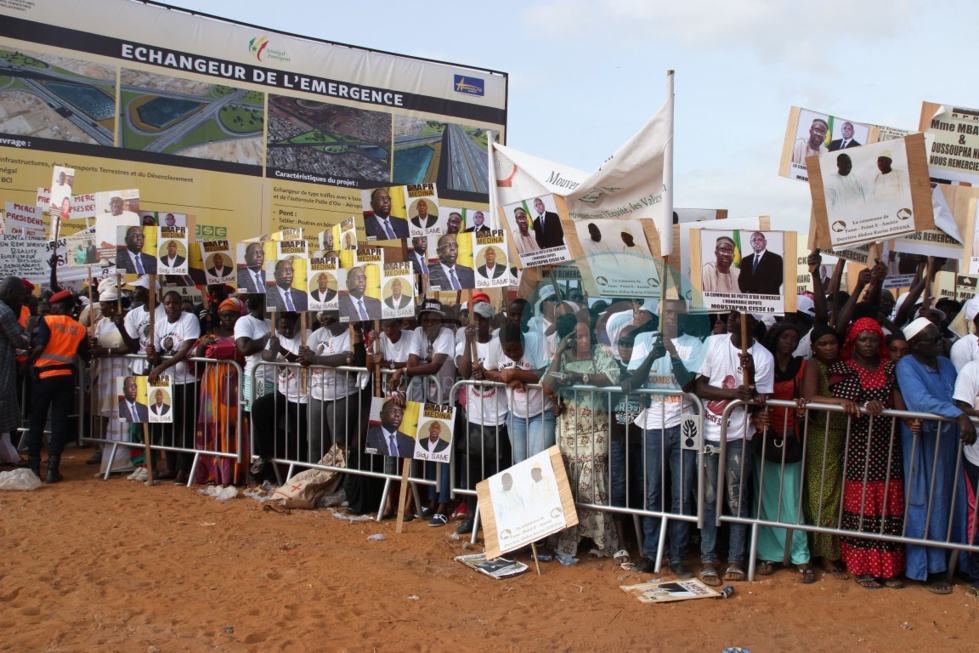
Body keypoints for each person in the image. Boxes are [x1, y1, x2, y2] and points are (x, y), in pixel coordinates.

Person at [896, 317, 976, 594]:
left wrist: (962, 414)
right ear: (915, 344)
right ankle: (930, 568)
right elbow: (919, 400)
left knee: (954, 501)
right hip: (925, 443)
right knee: (925, 501)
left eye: (940, 337)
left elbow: (956, 397)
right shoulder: (906, 365)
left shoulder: (945, 364)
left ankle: (956, 562)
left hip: (952, 443)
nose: (940, 342)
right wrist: (958, 416)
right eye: (933, 339)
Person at [623, 299, 703, 576]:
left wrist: (672, 353)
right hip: (652, 424)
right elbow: (633, 381)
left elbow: (689, 384)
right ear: (660, 314)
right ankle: (651, 553)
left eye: (678, 314)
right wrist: (652, 355)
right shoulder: (645, 339)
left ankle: (678, 555)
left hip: (685, 422)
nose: (673, 318)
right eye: (668, 312)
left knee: (682, 493)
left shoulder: (694, 344)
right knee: (653, 491)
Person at [827, 318, 908, 589]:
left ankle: (888, 567)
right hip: (859, 445)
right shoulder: (843, 369)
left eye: (874, 339)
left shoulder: (890, 367)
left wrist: (907, 418)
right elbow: (846, 402)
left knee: (888, 502)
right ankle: (862, 567)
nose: (869, 344)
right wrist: (863, 403)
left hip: (888, 444)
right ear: (854, 342)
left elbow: (897, 400)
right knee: (860, 505)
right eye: (863, 339)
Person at [695, 311, 773, 585]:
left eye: (740, 314)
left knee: (737, 499)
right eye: (731, 312)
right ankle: (707, 558)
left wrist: (748, 376)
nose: (731, 317)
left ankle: (735, 559)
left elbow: (758, 403)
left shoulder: (763, 357)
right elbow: (699, 386)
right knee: (708, 498)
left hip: (739, 437)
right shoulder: (713, 343)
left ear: (752, 323)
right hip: (708, 434)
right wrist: (732, 394)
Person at [542, 312, 621, 558]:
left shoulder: (602, 354)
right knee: (571, 481)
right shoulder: (562, 358)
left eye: (586, 335)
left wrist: (581, 377)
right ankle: (573, 537)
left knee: (595, 478)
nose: (583, 340)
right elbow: (547, 385)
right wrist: (558, 353)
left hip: (597, 429)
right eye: (577, 337)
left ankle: (599, 540)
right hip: (568, 430)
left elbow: (612, 377)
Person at [752, 322, 813, 582]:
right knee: (764, 500)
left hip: (791, 439)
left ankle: (800, 554)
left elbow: (806, 398)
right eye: (785, 337)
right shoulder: (759, 362)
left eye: (794, 337)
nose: (790, 341)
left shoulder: (802, 366)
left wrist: (801, 408)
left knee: (791, 499)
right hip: (763, 437)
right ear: (775, 338)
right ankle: (768, 554)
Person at [454, 301, 510, 535]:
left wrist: (487, 374)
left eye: (481, 320)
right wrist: (469, 342)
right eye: (473, 319)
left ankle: (496, 518)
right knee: (474, 472)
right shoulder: (463, 344)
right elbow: (464, 372)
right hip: (475, 417)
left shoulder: (499, 344)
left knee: (496, 471)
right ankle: (472, 514)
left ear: (489, 322)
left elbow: (502, 372)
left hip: (498, 418)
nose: (477, 324)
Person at [801, 323, 849, 580]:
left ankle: (837, 549)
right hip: (823, 434)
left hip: (845, 435)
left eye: (833, 343)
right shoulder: (814, 366)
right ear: (814, 347)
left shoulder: (843, 366)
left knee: (839, 494)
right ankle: (824, 552)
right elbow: (810, 397)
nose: (829, 348)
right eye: (823, 344)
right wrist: (841, 402)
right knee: (823, 494)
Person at [25, 290, 89, 482]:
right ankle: (53, 468)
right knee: (59, 422)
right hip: (66, 377)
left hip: (45, 375)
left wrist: (27, 363)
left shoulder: (49, 321)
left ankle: (34, 467)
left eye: (53, 306)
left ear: (59, 306)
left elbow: (41, 345)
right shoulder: (80, 328)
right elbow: (85, 355)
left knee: (37, 421)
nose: (50, 308)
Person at [146, 290, 200, 484]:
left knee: (185, 425)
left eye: (175, 303)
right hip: (165, 382)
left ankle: (184, 468)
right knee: (166, 424)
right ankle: (170, 465)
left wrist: (161, 366)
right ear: (163, 304)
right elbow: (156, 355)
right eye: (167, 303)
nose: (171, 306)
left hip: (187, 380)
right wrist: (151, 355)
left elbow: (185, 350)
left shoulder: (189, 319)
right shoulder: (159, 325)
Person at [250, 312, 310, 478]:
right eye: (282, 327)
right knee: (259, 407)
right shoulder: (277, 336)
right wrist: (269, 352)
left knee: (297, 438)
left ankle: (297, 475)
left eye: (289, 327)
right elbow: (267, 355)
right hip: (284, 391)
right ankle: (265, 453)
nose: (286, 330)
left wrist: (281, 350)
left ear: (296, 324)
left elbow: (302, 360)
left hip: (302, 395)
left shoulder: (306, 335)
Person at [301, 309, 367, 463]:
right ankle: (313, 479)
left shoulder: (348, 334)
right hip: (317, 392)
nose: (326, 319)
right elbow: (306, 358)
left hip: (342, 393)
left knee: (338, 443)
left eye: (330, 316)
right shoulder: (317, 334)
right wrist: (303, 357)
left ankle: (337, 481)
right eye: (323, 316)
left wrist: (316, 359)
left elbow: (342, 358)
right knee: (314, 440)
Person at [193, 297, 245, 485]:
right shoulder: (211, 333)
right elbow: (196, 359)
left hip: (234, 384)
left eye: (231, 315)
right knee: (213, 425)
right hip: (212, 385)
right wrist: (202, 344)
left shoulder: (243, 334)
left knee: (233, 425)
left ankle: (235, 471)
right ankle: (215, 470)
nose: (227, 319)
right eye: (223, 316)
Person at [485, 323, 553, 463]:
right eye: (507, 351)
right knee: (521, 464)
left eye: (517, 349)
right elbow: (487, 371)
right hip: (515, 415)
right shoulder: (494, 345)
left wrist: (514, 372)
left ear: (523, 340)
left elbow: (545, 373)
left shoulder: (536, 340)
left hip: (542, 413)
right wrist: (506, 379)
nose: (513, 354)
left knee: (537, 462)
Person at [89, 282, 132, 474]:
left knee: (125, 415)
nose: (101, 309)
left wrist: (106, 349)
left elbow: (130, 346)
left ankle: (129, 460)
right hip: (107, 372)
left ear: (114, 305)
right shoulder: (101, 323)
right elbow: (97, 345)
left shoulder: (128, 318)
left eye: (104, 306)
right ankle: (111, 460)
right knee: (109, 415)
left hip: (124, 370)